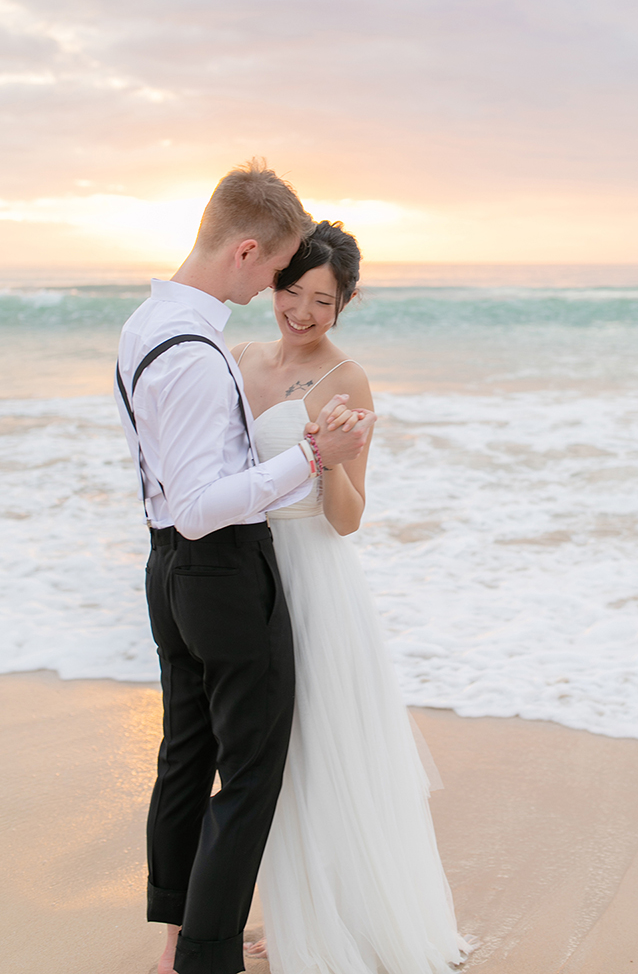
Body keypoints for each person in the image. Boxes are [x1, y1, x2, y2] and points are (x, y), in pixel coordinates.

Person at [114, 162, 376, 974]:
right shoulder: (201, 353)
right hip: (221, 571)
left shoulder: (145, 326)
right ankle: (203, 955)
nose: (283, 293)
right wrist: (310, 452)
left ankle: (178, 938)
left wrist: (322, 462)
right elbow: (201, 505)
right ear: (250, 251)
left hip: (171, 569)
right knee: (252, 773)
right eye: (277, 274)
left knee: (188, 751)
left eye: (314, 293)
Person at [232, 220, 473, 974]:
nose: (302, 313)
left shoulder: (348, 381)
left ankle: (333, 924)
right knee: (267, 759)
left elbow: (347, 519)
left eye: (323, 301)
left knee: (323, 751)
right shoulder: (238, 359)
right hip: (243, 572)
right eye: (293, 292)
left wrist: (328, 456)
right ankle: (297, 911)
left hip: (315, 580)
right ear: (273, 284)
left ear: (347, 303)